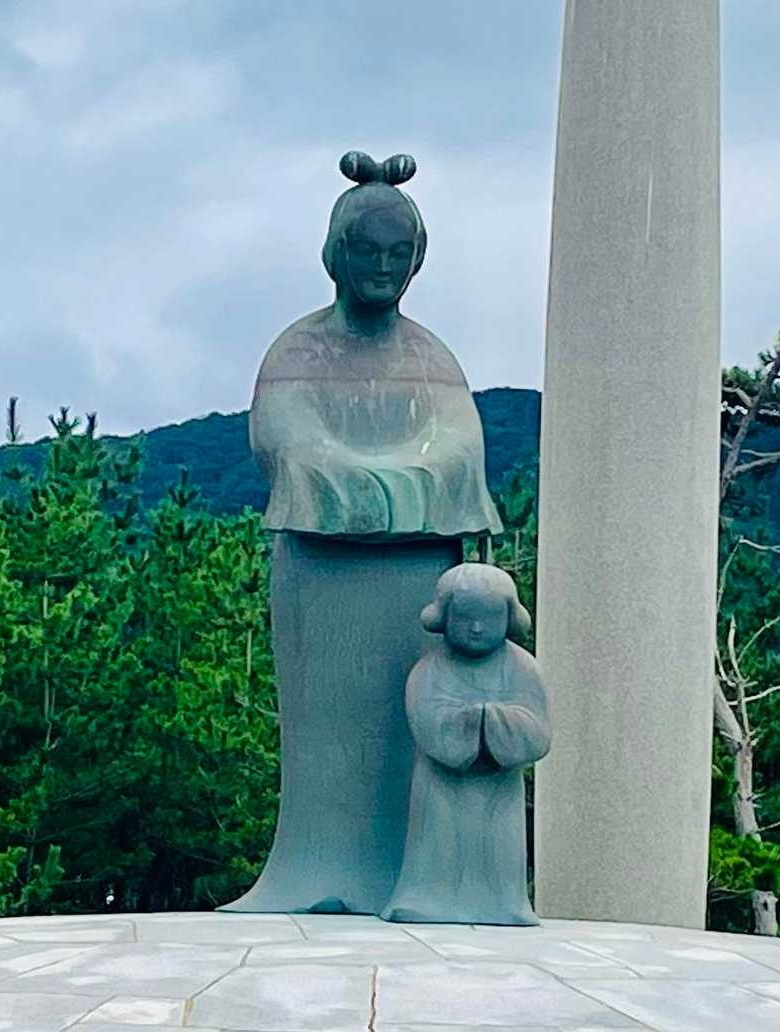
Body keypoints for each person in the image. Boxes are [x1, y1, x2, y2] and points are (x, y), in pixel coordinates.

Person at [222, 153, 503, 915]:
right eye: (367, 251)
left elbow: (460, 448)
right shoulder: (297, 351)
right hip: (322, 572)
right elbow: (287, 440)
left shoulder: (429, 356)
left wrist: (380, 485)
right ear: (336, 253)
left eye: (397, 253)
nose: (382, 267)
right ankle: (317, 868)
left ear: (417, 259)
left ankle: (418, 876)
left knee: (410, 725)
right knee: (328, 741)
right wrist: (380, 482)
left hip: (418, 574)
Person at [381, 563, 551, 926]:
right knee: (438, 841)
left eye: (489, 618)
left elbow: (538, 730)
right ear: (445, 618)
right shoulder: (429, 670)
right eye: (465, 618)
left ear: (508, 618)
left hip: (499, 789)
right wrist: (470, 721)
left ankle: (504, 904)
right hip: (440, 786)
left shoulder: (523, 668)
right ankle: (425, 899)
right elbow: (427, 723)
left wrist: (492, 719)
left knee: (498, 846)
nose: (476, 628)